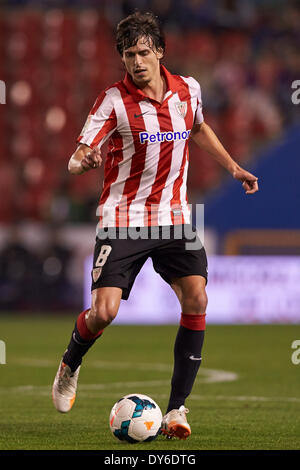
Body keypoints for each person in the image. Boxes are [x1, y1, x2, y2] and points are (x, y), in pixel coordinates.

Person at [52, 11, 258, 440]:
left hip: (174, 217)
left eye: (144, 52)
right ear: (122, 59)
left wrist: (234, 167)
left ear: (160, 51)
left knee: (197, 298)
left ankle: (177, 410)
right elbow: (77, 157)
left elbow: (198, 128)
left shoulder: (188, 89)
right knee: (105, 311)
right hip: (123, 218)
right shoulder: (112, 101)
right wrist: (81, 161)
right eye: (129, 55)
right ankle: (70, 364)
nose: (137, 62)